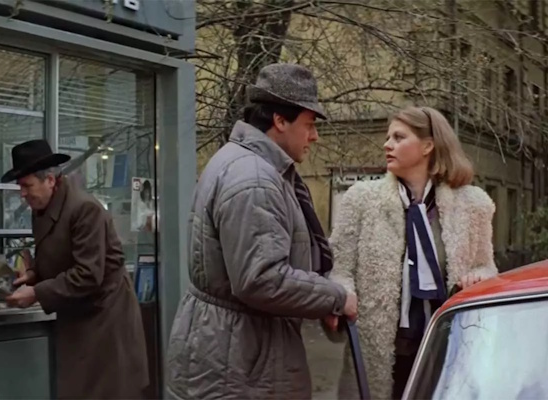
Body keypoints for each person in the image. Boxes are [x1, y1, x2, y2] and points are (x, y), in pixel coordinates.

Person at [166, 63, 356, 400]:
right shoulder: (255, 178)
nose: (315, 136)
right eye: (309, 125)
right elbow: (262, 279)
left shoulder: (246, 163)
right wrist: (335, 297)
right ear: (280, 121)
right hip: (241, 361)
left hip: (233, 350)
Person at [326, 106, 498, 399]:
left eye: (398, 137)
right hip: (378, 350)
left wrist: (477, 277)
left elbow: (487, 267)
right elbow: (339, 270)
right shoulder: (361, 200)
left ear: (428, 146)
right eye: (388, 137)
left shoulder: (472, 205)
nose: (387, 144)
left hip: (446, 348)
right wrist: (342, 296)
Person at [2, 139, 150, 399]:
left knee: (106, 391)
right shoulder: (43, 208)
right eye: (20, 186)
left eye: (26, 185)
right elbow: (57, 257)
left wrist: (36, 292)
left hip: (105, 318)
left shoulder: (84, 209)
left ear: (50, 180)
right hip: (79, 315)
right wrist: (33, 275)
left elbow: (88, 274)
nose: (22, 194)